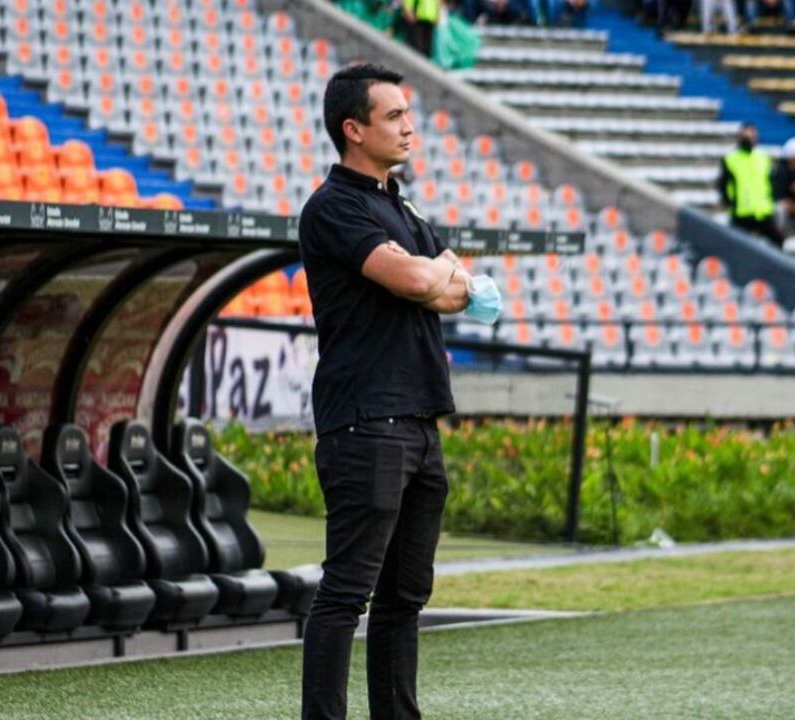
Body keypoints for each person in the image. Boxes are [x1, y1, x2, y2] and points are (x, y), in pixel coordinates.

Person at [298, 63, 486, 720]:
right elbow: (418, 282)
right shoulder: (335, 205)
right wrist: (434, 274)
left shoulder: (398, 202)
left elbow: (461, 290)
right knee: (347, 593)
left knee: (405, 596)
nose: (410, 126)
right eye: (394, 116)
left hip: (418, 421)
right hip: (365, 421)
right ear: (354, 129)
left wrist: (434, 275)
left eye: (408, 114)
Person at [718, 123, 784, 248]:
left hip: (763, 210)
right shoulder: (731, 159)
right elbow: (723, 185)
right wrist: (729, 204)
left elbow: (770, 181)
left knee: (778, 242)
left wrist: (772, 199)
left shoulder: (763, 157)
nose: (749, 139)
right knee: (738, 247)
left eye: (751, 135)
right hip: (741, 212)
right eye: (745, 136)